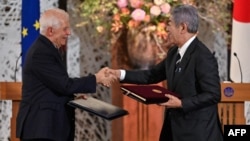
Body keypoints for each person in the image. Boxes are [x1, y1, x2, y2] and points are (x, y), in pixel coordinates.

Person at [108, 4, 223, 141]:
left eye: (170, 24)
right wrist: (119, 74)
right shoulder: (174, 52)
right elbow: (151, 75)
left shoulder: (203, 56)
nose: (167, 29)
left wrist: (182, 103)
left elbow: (213, 94)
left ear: (182, 27)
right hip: (173, 130)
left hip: (197, 133)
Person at [16, 8, 114, 141]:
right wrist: (97, 78)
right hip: (42, 129)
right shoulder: (41, 52)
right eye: (65, 29)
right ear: (50, 31)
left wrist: (71, 97)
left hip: (48, 129)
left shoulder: (48, 49)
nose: (68, 33)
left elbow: (54, 86)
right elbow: (65, 85)